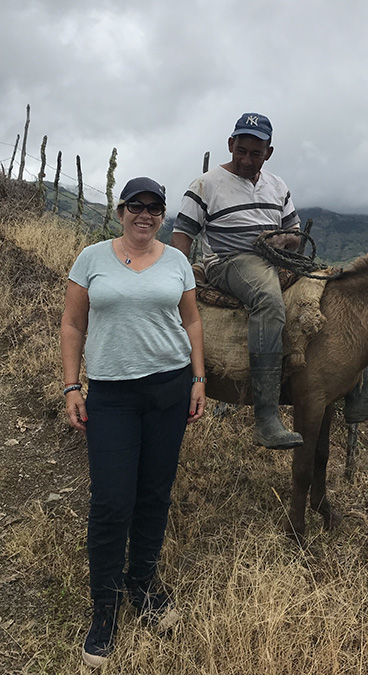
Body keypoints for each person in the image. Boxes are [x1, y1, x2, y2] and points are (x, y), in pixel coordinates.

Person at [171, 112, 368, 450]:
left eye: (256, 152)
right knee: (267, 301)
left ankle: (359, 394)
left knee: (335, 291)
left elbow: (294, 233)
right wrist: (179, 277)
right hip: (229, 261)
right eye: (241, 150)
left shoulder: (277, 185)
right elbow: (182, 235)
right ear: (230, 145)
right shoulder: (205, 185)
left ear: (269, 152)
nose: (247, 159)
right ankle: (266, 417)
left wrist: (283, 241)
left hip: (276, 258)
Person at [61, 177, 206, 667]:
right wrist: (71, 385)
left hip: (169, 387)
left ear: (162, 215)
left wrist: (199, 377)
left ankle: (141, 584)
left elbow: (192, 322)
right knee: (111, 499)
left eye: (154, 208)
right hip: (112, 394)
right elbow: (72, 323)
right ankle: (105, 605)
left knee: (153, 493)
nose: (144, 214)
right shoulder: (92, 257)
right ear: (120, 210)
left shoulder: (178, 262)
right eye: (135, 206)